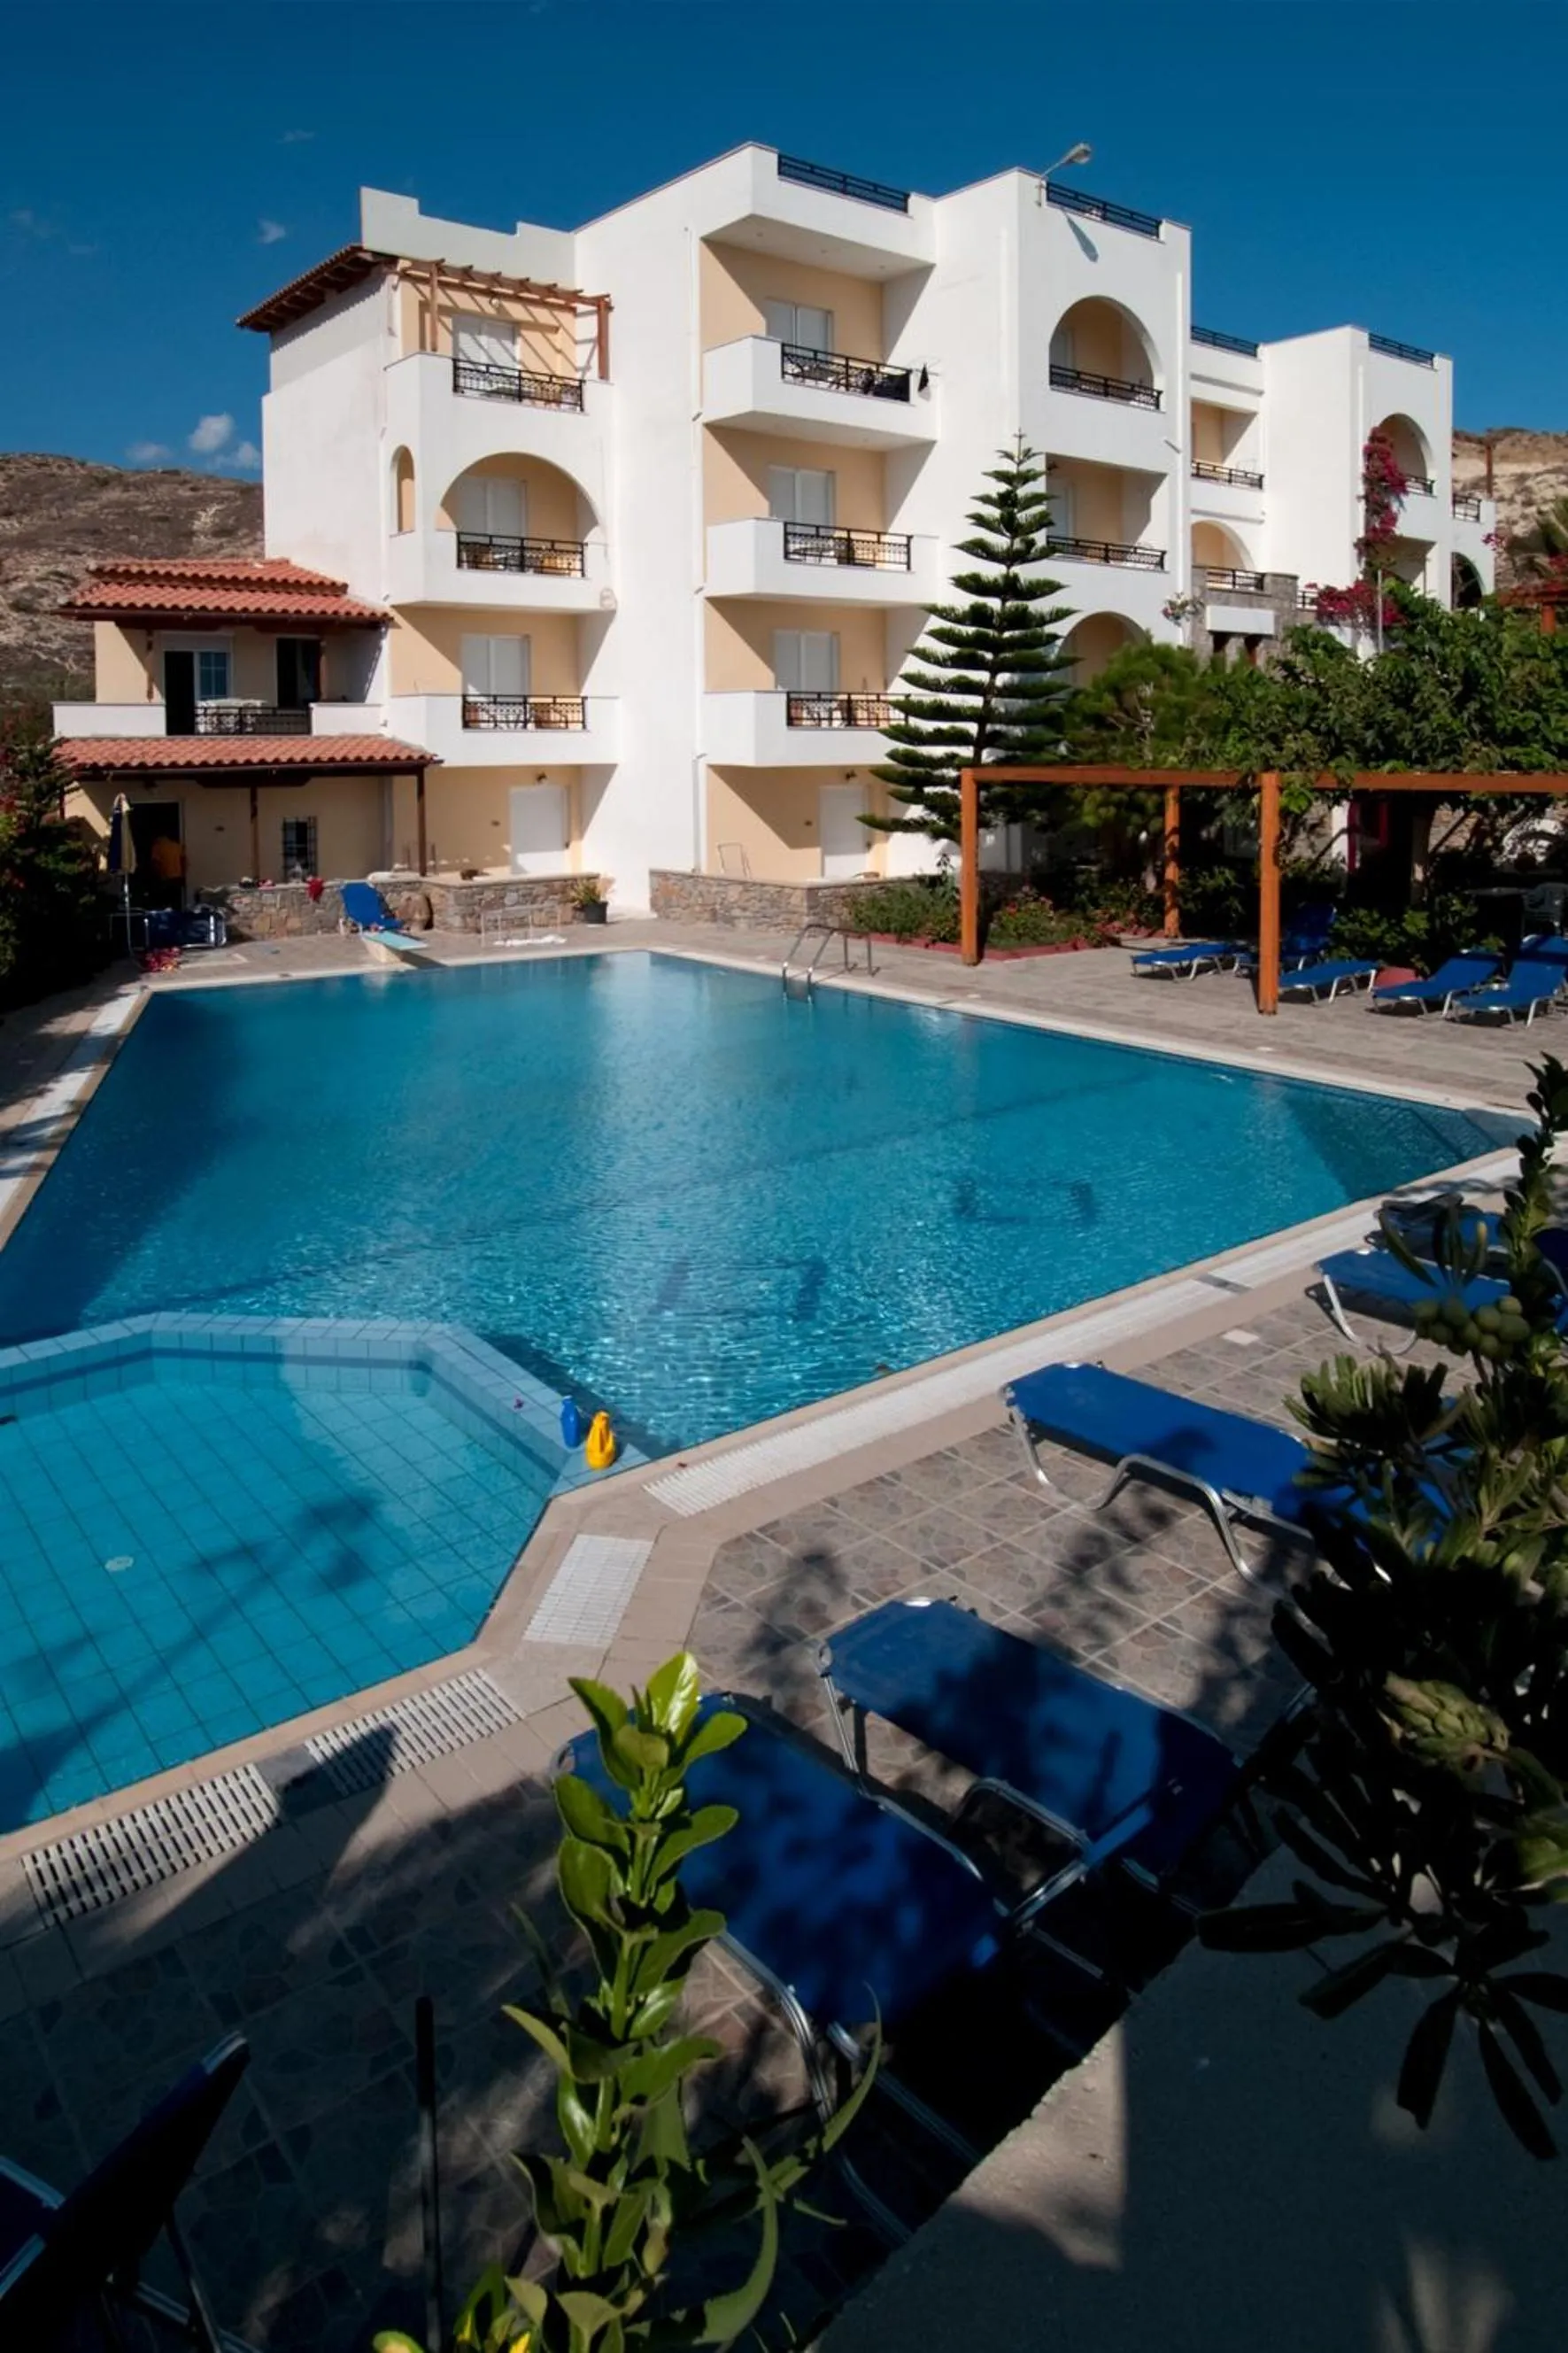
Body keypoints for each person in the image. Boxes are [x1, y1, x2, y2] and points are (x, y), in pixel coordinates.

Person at [147, 830, 186, 910]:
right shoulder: (176, 846)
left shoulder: (157, 846)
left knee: (164, 903)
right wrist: (182, 874)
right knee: (176, 903)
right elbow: (183, 861)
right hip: (178, 877)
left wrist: (159, 875)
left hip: (165, 878)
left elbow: (156, 863)